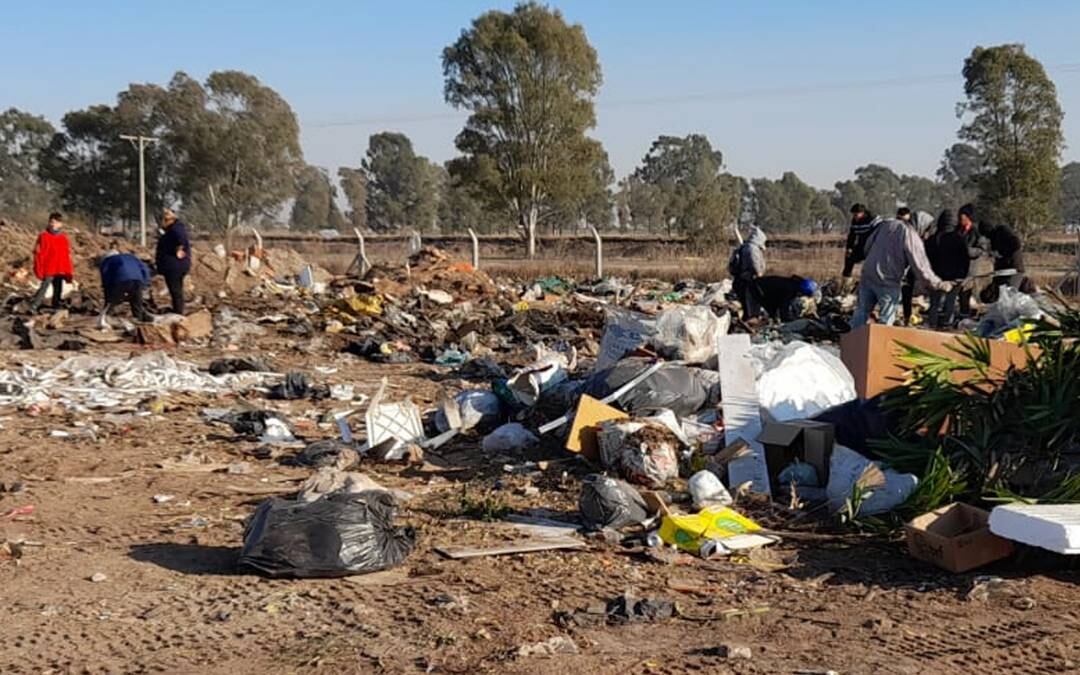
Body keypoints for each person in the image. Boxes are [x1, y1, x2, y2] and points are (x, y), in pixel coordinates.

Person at [851, 218, 952, 328]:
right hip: (888, 281)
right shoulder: (910, 235)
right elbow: (920, 264)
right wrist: (937, 283)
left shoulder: (886, 224)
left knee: (861, 313)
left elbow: (868, 245)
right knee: (886, 319)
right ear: (923, 226)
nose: (925, 235)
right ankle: (882, 342)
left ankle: (853, 340)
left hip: (868, 276)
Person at [924, 210, 970, 328]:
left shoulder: (933, 239)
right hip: (955, 277)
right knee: (951, 302)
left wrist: (928, 276)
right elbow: (965, 258)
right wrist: (963, 275)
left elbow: (926, 259)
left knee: (934, 303)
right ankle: (947, 325)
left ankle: (932, 325)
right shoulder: (959, 239)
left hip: (936, 277)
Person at [98, 245, 153, 328]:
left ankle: (106, 319)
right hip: (137, 279)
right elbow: (144, 268)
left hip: (121, 279)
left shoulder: (108, 261)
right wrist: (145, 283)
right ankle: (138, 321)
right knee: (136, 301)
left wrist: (108, 292)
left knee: (112, 302)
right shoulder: (131, 257)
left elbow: (106, 276)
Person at [30, 212, 74, 313]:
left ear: (60, 224)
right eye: (51, 222)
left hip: (59, 268)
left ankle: (56, 305)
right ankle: (34, 306)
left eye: (55, 222)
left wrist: (67, 270)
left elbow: (65, 255)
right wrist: (39, 267)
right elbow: (39, 253)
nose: (52, 224)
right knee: (44, 287)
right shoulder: (43, 236)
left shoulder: (63, 238)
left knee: (58, 288)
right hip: (49, 267)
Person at [978, 218, 1032, 302]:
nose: (986, 236)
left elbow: (1016, 244)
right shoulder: (993, 237)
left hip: (1013, 270)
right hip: (1002, 272)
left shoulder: (1002, 232)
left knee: (1009, 296)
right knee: (1000, 296)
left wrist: (1001, 252)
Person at [155, 208, 191, 314]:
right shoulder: (172, 230)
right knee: (176, 291)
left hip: (175, 266)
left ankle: (178, 313)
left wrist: (179, 248)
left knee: (176, 291)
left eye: (163, 220)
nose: (161, 223)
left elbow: (181, 239)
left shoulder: (176, 229)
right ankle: (178, 310)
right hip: (174, 265)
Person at [728, 226, 767, 321]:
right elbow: (755, 265)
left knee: (746, 305)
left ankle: (747, 321)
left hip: (741, 280)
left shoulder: (745, 247)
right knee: (751, 305)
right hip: (748, 280)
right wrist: (760, 276)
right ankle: (750, 322)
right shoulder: (752, 249)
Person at [956, 204, 985, 317]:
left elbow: (981, 250)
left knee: (966, 292)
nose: (960, 219)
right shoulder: (956, 230)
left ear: (968, 218)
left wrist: (967, 251)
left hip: (970, 268)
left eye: (962, 217)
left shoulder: (976, 232)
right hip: (956, 266)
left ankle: (965, 314)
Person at [842, 203, 883, 280]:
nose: (854, 217)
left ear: (862, 213)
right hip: (862, 244)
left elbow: (880, 233)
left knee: (871, 266)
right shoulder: (854, 221)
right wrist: (849, 248)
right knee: (849, 258)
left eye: (856, 214)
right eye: (853, 215)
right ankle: (846, 280)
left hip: (874, 246)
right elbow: (852, 236)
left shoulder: (873, 219)